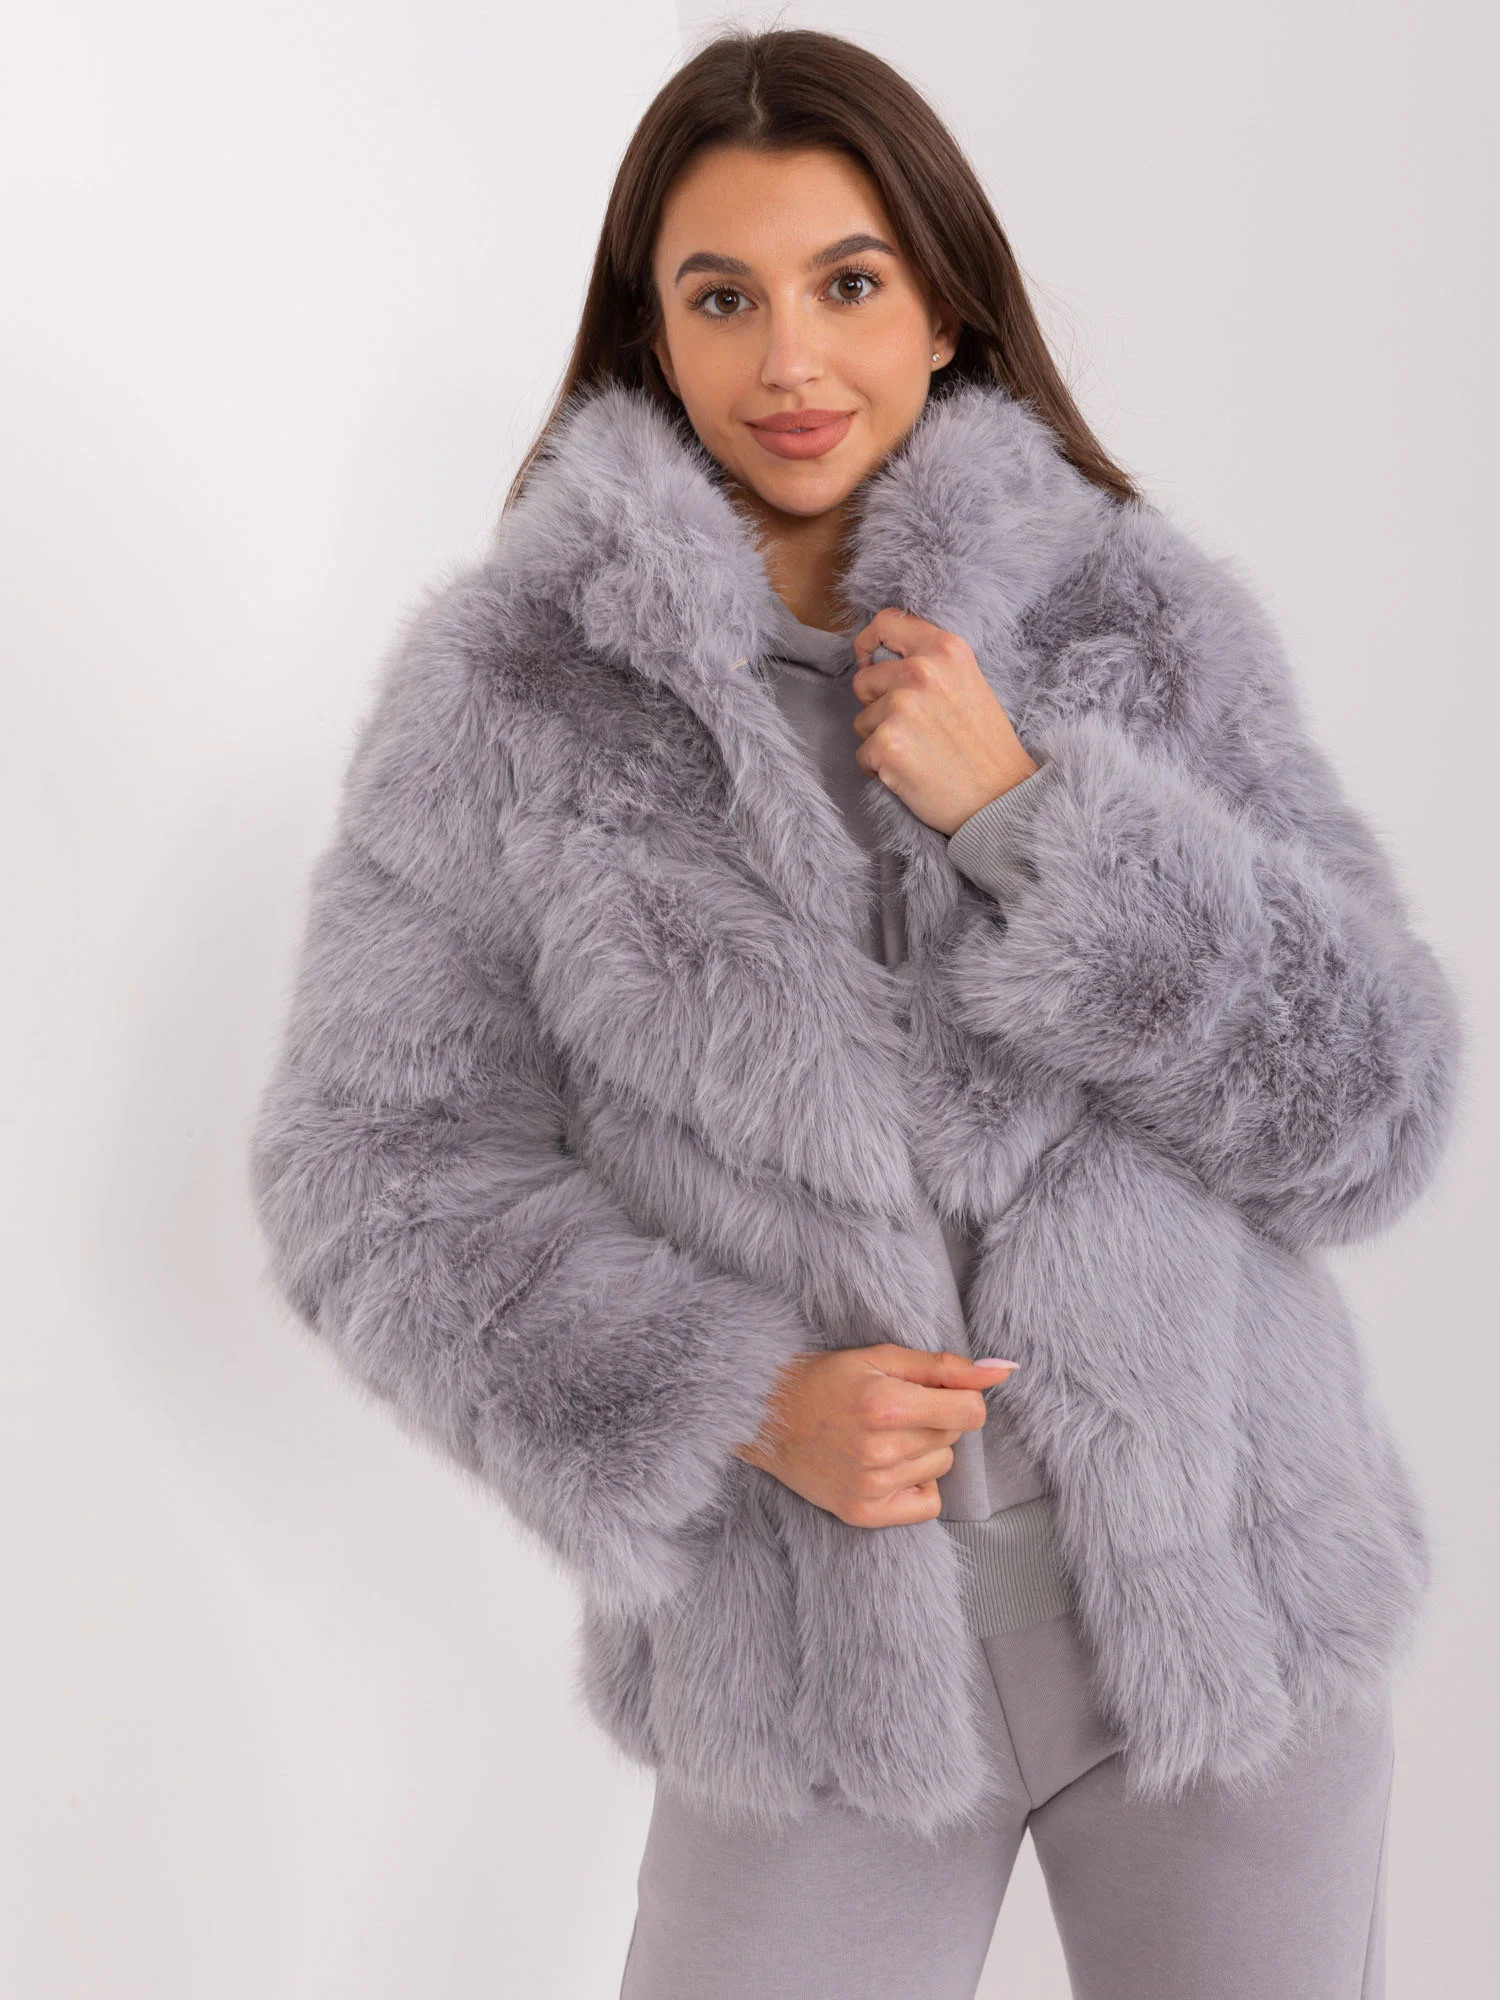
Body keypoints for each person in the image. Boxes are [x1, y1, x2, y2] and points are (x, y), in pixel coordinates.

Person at [247, 27, 1463, 1999]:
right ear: (651, 333)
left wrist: (1034, 826)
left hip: (1226, 1622)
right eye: (723, 296)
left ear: (946, 306)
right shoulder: (509, 697)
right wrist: (735, 1399)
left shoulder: (1131, 619)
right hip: (809, 1674)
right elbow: (368, 1173)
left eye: (848, 281)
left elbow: (1370, 1104)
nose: (790, 359)